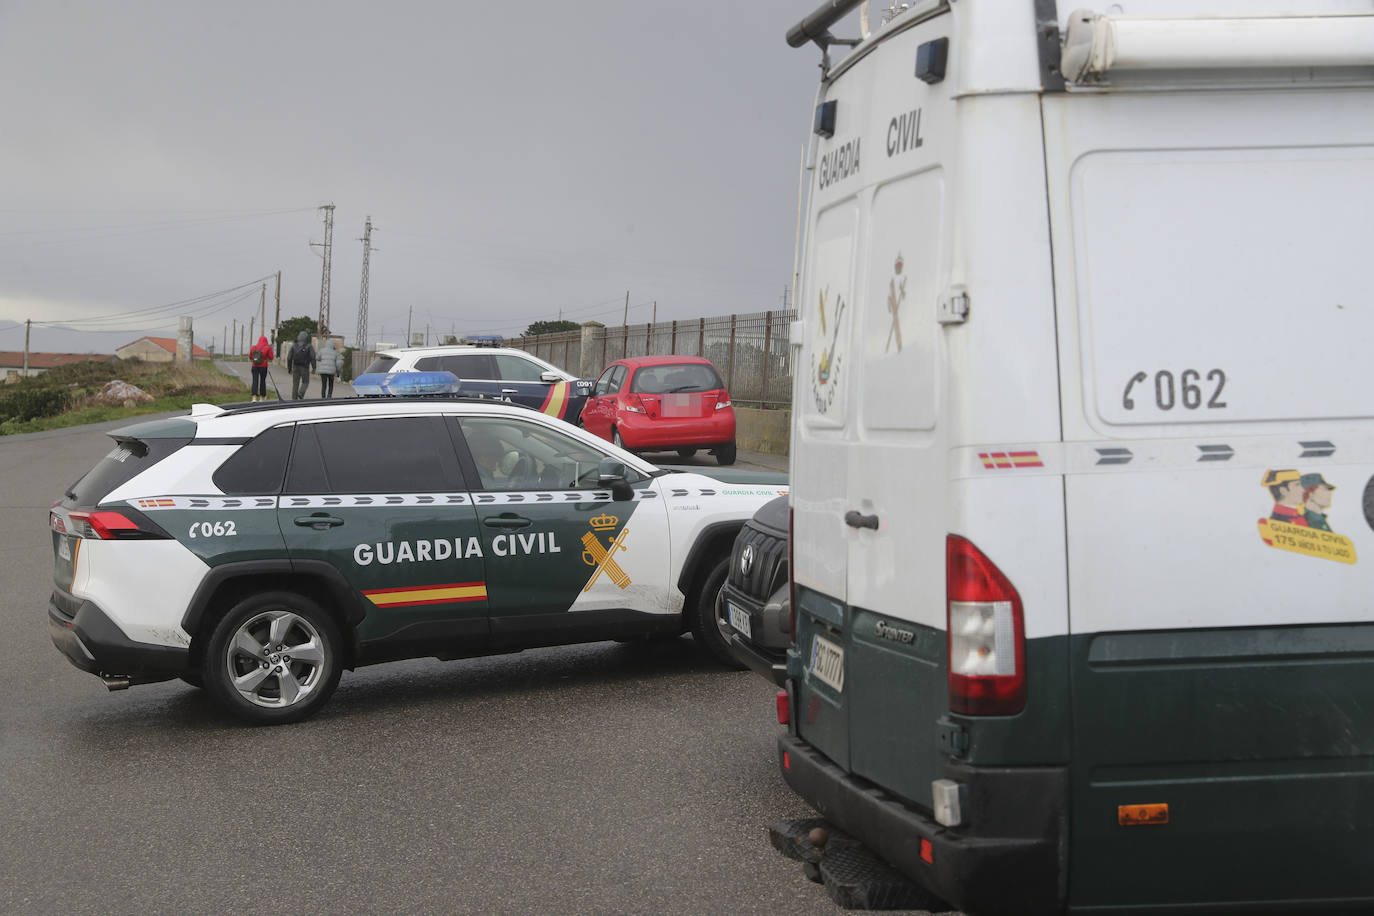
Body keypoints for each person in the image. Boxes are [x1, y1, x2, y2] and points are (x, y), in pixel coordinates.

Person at [286, 331, 316, 400]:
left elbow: (289, 357)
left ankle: (294, 399)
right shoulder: (309, 346)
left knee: (295, 383)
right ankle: (301, 393)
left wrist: (289, 368)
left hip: (295, 366)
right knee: (305, 382)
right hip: (305, 367)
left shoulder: (294, 346)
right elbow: (313, 357)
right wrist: (314, 368)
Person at [248, 335, 274, 402]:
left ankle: (254, 398)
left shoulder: (254, 347)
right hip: (263, 366)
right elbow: (271, 357)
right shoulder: (267, 348)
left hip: (254, 366)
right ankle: (262, 398)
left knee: (255, 381)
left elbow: (250, 357)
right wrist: (266, 358)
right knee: (262, 381)